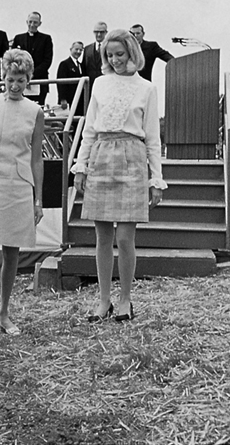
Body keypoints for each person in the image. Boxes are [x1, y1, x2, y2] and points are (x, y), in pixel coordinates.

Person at [71, 29, 167, 323]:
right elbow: (89, 129)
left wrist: (156, 179)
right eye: (109, 55)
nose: (114, 60)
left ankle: (125, 300)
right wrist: (81, 167)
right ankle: (103, 302)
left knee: (125, 237)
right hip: (101, 155)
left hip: (132, 157)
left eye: (120, 55)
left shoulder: (146, 88)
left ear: (133, 53)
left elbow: (152, 136)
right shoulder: (99, 83)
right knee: (102, 237)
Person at [0, 49, 45, 340]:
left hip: (18, 185)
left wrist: (38, 199)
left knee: (11, 251)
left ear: (29, 80)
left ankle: (4, 313)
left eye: (21, 80)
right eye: (10, 79)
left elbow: (36, 157)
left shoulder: (35, 111)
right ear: (3, 76)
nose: (15, 86)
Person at [12, 12, 53, 104]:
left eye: (35, 22)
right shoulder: (18, 38)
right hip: (21, 79)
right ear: (27, 22)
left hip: (39, 79)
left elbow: (47, 61)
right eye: (30, 22)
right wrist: (24, 74)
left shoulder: (46, 39)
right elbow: (13, 58)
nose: (32, 25)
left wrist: (32, 74)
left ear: (39, 23)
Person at [56, 41, 85, 112]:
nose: (78, 52)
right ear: (71, 49)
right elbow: (60, 83)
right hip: (68, 99)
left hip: (79, 99)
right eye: (76, 49)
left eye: (80, 50)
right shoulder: (64, 64)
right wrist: (63, 99)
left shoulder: (81, 65)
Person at [82, 21, 108, 94]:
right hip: (91, 87)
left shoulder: (109, 48)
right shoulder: (87, 49)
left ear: (106, 32)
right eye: (96, 32)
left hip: (106, 86)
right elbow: (84, 68)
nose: (99, 34)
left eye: (101, 32)